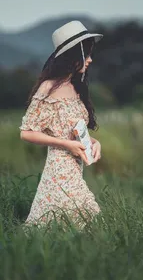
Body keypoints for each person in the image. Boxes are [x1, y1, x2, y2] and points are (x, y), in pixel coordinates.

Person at [19, 20, 103, 229]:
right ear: (74, 56)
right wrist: (67, 145)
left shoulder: (76, 87)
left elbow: (75, 131)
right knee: (85, 220)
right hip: (58, 168)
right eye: (87, 54)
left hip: (75, 167)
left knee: (65, 225)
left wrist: (94, 142)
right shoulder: (48, 88)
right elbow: (26, 133)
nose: (90, 60)